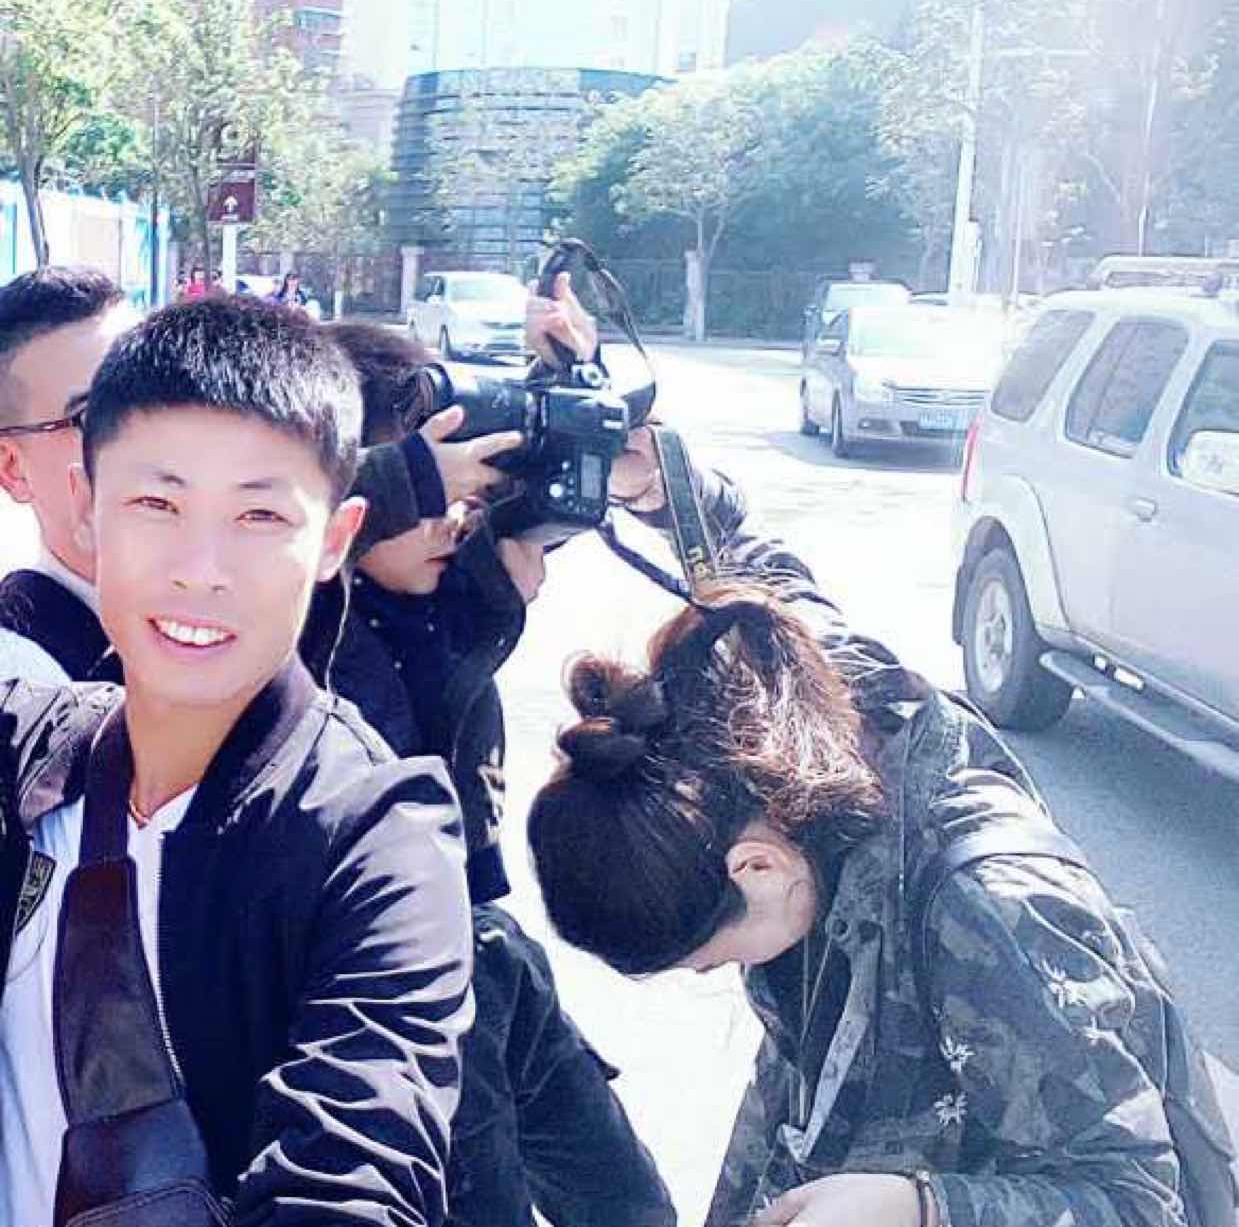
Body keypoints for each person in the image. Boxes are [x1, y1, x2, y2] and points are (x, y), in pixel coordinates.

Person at [526, 444, 1200, 1227]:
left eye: (713, 959)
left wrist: (920, 1207)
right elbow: (751, 573)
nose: (728, 972)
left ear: (755, 866)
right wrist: (662, 481)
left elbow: (1137, 1202)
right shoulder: (776, 704)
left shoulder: (994, 914)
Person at [0, 296, 473, 1224]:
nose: (201, 569)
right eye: (156, 504)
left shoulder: (374, 841)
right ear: (88, 513)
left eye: (259, 515)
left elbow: (356, 1163)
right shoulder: (34, 749)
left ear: (333, 541)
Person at [316, 319, 676, 1227]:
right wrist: (402, 478)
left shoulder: (453, 580)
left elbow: (541, 494)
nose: (452, 516)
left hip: (489, 952)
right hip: (397, 992)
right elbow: (272, 513)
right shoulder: (297, 625)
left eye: (460, 493)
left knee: (632, 1208)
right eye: (425, 491)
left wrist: (565, 388)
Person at [0, 267, 138, 684]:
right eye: (93, 416)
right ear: (12, 468)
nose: (153, 432)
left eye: (162, 393)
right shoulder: (24, 686)